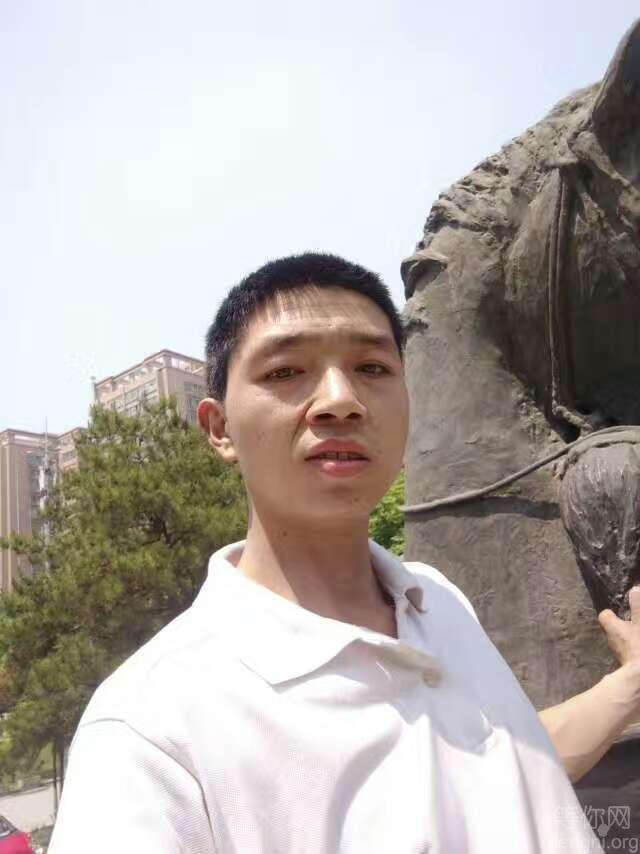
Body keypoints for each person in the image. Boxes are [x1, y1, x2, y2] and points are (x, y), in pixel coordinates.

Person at [49, 252, 640, 853]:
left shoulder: (437, 600)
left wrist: (632, 683)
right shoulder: (148, 731)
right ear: (219, 428)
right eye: (285, 371)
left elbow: (514, 771)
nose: (341, 400)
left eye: (372, 367)